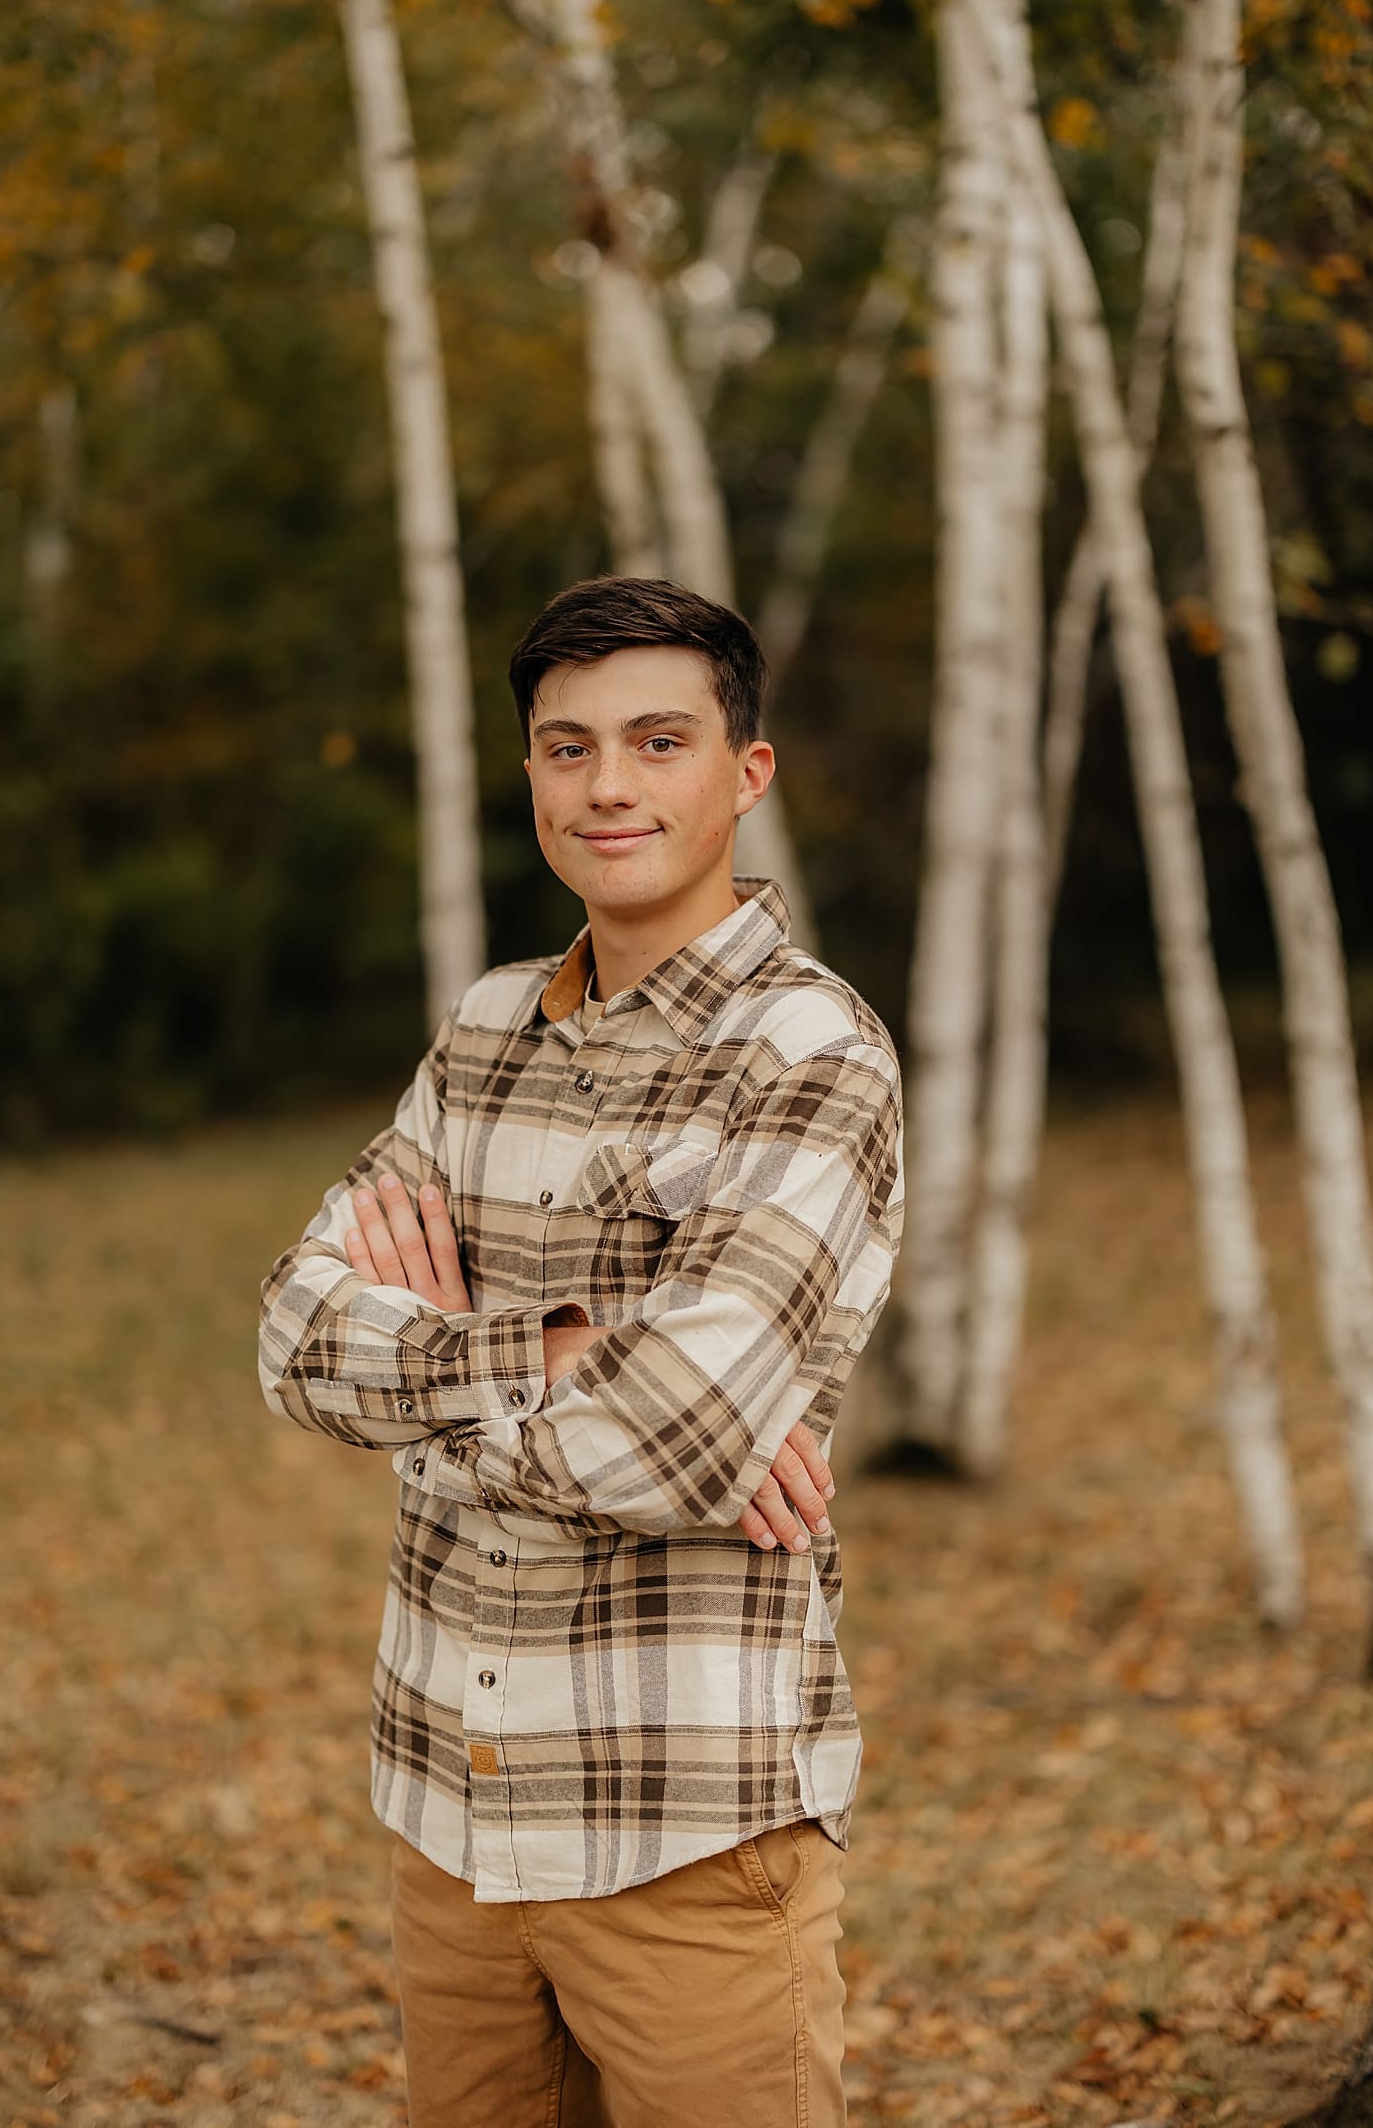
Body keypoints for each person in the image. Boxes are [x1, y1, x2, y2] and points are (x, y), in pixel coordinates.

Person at [257, 575, 905, 2127]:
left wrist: (435, 1365)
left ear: (745, 773)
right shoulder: (483, 1029)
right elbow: (292, 1329)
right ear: (533, 773)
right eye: (567, 748)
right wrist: (560, 1349)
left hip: (686, 1830)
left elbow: (668, 1435)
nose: (608, 784)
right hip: (451, 1811)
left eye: (658, 740)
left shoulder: (813, 1053)